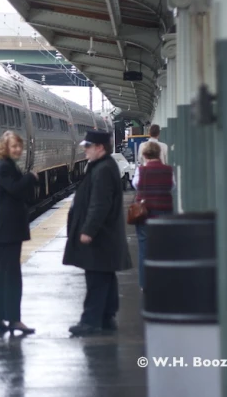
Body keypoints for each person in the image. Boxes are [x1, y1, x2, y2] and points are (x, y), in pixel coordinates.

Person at [63, 130, 132, 336]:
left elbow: (99, 204)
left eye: (88, 146)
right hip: (106, 235)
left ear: (100, 147)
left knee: (96, 279)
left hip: (101, 236)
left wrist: (88, 230)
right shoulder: (104, 166)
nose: (85, 151)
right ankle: (107, 317)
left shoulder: (102, 169)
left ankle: (90, 321)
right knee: (105, 276)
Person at [0, 130, 38, 335]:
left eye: (19, 146)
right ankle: (14, 320)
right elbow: (15, 189)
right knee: (11, 274)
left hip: (9, 227)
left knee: (4, 273)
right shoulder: (4, 168)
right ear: (5, 148)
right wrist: (31, 178)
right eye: (14, 146)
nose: (18, 150)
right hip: (8, 227)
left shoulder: (9, 166)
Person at [132, 142, 174, 290]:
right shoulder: (168, 170)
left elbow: (136, 185)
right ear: (158, 154)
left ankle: (145, 284)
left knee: (144, 249)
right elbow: (171, 185)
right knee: (163, 247)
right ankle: (164, 281)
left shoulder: (141, 171)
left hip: (145, 213)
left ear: (144, 155)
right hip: (165, 212)